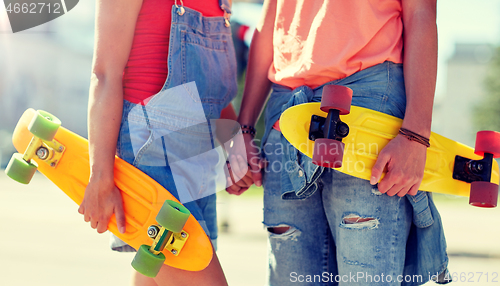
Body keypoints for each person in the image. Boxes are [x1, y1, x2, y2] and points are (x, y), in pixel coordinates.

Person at [232, 0, 450, 285]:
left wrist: (416, 134)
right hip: (286, 116)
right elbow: (270, 21)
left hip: (366, 108)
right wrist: (245, 129)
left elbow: (420, 13)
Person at [78, 0, 239, 285]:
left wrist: (235, 144)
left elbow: (214, 88)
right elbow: (104, 74)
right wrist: (100, 176)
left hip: (198, 154)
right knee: (195, 265)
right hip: (151, 145)